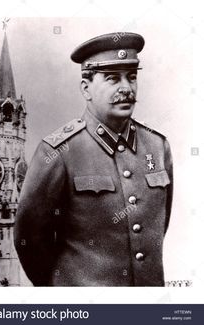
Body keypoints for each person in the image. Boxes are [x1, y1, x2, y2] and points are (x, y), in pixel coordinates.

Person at [14, 32, 173, 286]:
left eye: (132, 77)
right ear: (86, 88)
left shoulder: (157, 146)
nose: (126, 88)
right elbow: (30, 242)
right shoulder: (57, 152)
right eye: (112, 78)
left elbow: (158, 226)